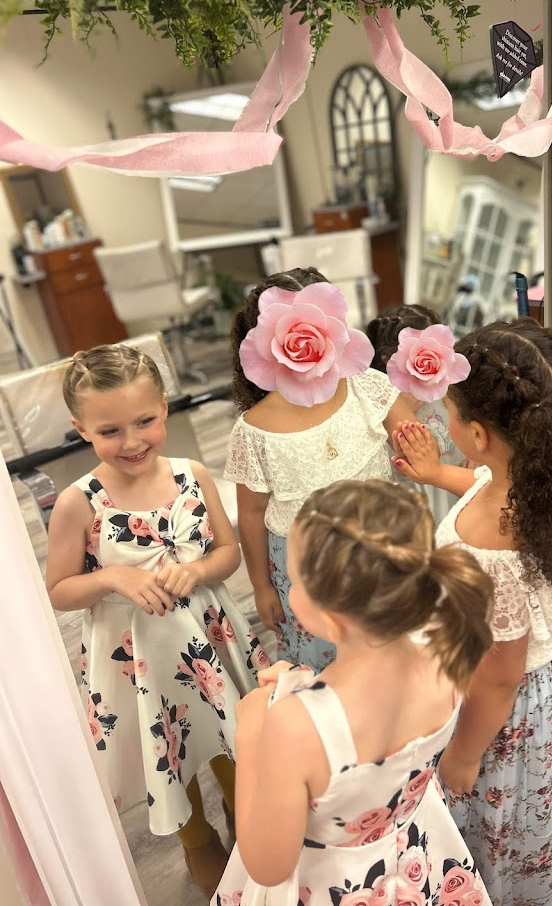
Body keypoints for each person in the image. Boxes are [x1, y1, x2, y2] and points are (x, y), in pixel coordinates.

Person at [393, 319, 552, 906]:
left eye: (448, 413)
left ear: (476, 434)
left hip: (505, 709)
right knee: (545, 809)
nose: (444, 423)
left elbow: (497, 677)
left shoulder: (489, 546)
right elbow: (483, 482)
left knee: (501, 824)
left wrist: (463, 755)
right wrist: (436, 474)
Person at [46, 344, 270, 898]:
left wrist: (196, 570)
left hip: (207, 637)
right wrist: (112, 577)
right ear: (81, 430)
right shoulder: (79, 502)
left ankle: (248, 821)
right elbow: (58, 589)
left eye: (144, 421)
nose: (132, 442)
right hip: (136, 657)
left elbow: (227, 553)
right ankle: (197, 840)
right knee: (167, 747)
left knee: (231, 733)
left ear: (165, 407)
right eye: (110, 431)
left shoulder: (193, 474)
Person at [214, 478, 496, 906]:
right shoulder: (450, 646)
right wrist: (304, 687)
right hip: (419, 853)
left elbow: (268, 867)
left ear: (330, 620)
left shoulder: (294, 727)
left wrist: (251, 734)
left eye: (294, 581)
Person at [226, 268, 416, 671]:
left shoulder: (365, 384)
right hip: (306, 567)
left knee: (389, 650)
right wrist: (261, 586)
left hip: (381, 544)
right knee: (326, 661)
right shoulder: (254, 430)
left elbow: (414, 442)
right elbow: (251, 513)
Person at [366, 304, 469, 522]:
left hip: (458, 485)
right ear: (388, 359)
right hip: (414, 500)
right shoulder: (384, 401)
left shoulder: (451, 386)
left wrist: (476, 454)